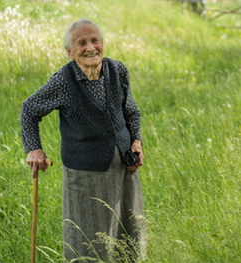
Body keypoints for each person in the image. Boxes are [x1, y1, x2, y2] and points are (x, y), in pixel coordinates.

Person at [20, 18, 146, 262]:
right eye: (81, 43)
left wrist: (136, 142)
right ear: (69, 52)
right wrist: (34, 149)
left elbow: (131, 110)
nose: (90, 47)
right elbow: (29, 109)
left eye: (95, 40)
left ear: (103, 44)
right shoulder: (63, 82)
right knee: (88, 240)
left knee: (128, 231)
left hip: (123, 167)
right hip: (85, 174)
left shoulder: (117, 70)